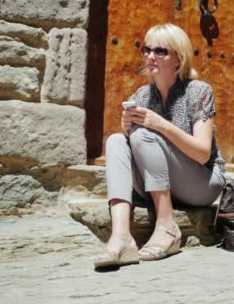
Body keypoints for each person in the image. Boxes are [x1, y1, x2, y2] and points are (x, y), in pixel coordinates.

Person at [94, 23, 226, 267]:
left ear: (179, 58)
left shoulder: (198, 91)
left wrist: (159, 125)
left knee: (145, 135)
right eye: (146, 49)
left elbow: (202, 153)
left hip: (203, 182)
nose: (150, 56)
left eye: (160, 51)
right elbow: (135, 146)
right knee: (115, 140)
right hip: (159, 182)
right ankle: (121, 237)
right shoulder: (141, 95)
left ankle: (167, 226)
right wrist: (127, 131)